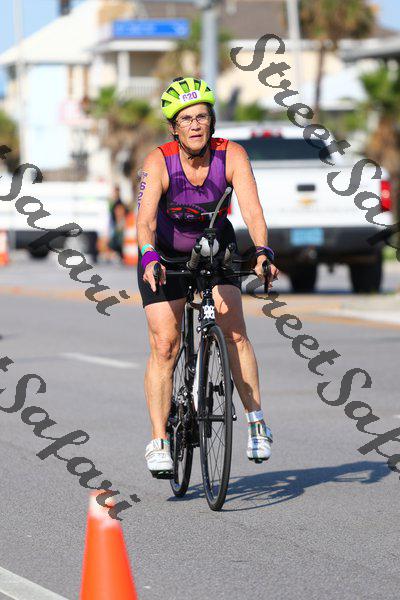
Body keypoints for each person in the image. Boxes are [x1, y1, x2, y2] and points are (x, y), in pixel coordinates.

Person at [136, 77, 279, 477]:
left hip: (216, 248)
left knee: (234, 331)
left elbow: (252, 210)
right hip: (165, 254)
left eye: (202, 116)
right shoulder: (158, 161)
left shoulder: (231, 155)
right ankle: (159, 440)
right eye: (186, 119)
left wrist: (263, 251)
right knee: (165, 344)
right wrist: (148, 256)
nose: (195, 125)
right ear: (174, 127)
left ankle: (256, 422)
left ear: (212, 121)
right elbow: (145, 221)